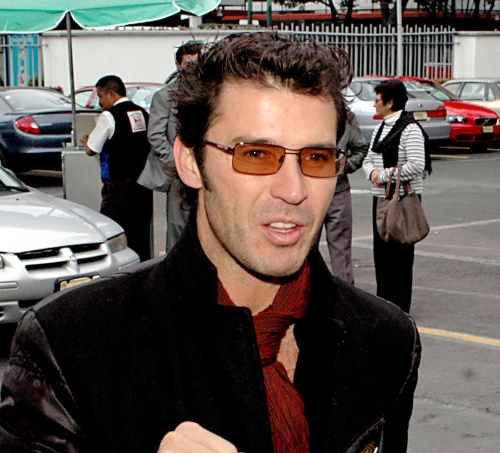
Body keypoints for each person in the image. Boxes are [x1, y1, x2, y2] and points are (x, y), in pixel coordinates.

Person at [0, 33, 421, 453]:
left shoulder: (385, 340)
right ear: (190, 162)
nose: (294, 191)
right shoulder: (71, 344)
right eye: (255, 154)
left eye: (316, 158)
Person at [362, 79, 431, 313]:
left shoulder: (410, 129)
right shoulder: (381, 128)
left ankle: (399, 309)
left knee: (399, 255)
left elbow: (417, 165)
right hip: (381, 199)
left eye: (377, 100)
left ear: (390, 102)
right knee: (381, 254)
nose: (374, 104)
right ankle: (384, 305)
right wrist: (372, 172)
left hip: (401, 200)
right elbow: (368, 158)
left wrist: (382, 175)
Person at [138, 41, 202, 254]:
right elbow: (155, 135)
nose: (193, 69)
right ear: (178, 65)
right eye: (188, 64)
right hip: (179, 171)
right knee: (178, 226)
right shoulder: (165, 96)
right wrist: (175, 163)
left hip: (205, 168)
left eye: (197, 63)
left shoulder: (208, 93)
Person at [80, 75, 152, 262]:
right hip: (143, 184)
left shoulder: (109, 116)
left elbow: (92, 148)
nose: (100, 103)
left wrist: (87, 143)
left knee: (115, 235)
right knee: (141, 234)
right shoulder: (142, 113)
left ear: (111, 93)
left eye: (100, 96)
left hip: (117, 187)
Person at [317, 110, 367, 284]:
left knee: (341, 248)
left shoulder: (347, 119)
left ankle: (345, 291)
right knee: (305, 247)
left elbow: (361, 148)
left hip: (338, 190)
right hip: (310, 191)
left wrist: (345, 166)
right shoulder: (306, 114)